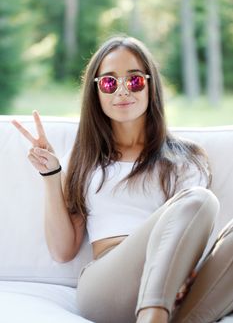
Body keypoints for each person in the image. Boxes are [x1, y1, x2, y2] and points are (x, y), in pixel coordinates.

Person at [12, 36, 233, 323]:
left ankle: (155, 316)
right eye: (108, 83)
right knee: (198, 201)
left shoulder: (185, 160)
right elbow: (62, 250)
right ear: (97, 93)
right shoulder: (85, 160)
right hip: (107, 286)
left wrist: (184, 278)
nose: (122, 91)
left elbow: (189, 234)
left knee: (198, 204)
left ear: (151, 86)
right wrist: (51, 175)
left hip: (171, 284)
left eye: (135, 81)